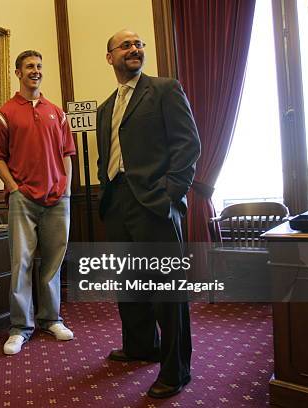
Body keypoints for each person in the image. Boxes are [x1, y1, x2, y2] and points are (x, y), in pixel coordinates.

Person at [96, 29, 200, 399]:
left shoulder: (165, 89)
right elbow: (105, 154)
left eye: (138, 44)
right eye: (125, 45)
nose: (135, 49)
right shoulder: (105, 106)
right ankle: (141, 346)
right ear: (110, 57)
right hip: (117, 203)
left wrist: (171, 194)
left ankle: (176, 370)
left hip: (155, 202)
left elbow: (188, 144)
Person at [0, 50, 76, 355]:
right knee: (21, 263)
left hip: (57, 199)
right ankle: (20, 328)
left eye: (39, 66)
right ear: (18, 73)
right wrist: (13, 188)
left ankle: (51, 319)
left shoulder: (57, 112)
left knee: (52, 263)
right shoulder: (5, 113)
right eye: (29, 67)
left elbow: (67, 154)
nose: (35, 71)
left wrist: (66, 189)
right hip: (22, 199)